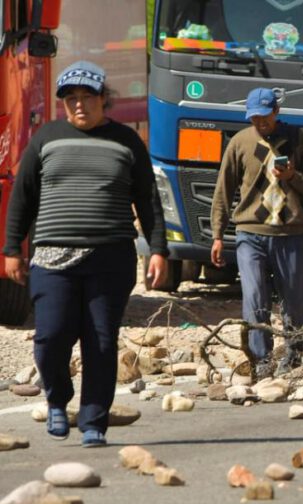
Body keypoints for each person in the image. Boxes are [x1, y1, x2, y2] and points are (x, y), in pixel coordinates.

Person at [3, 61, 169, 447]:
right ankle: (58, 400)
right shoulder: (46, 139)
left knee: (101, 340)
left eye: (87, 98)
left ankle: (94, 420)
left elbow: (148, 201)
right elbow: (22, 198)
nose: (79, 105)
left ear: (103, 100)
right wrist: (12, 248)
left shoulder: (126, 142)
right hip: (51, 258)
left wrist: (158, 250)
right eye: (71, 99)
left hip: (110, 258)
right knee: (51, 335)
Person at [211, 88, 303, 378]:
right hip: (250, 232)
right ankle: (261, 359)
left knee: (294, 297)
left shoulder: (296, 138)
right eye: (254, 118)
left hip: (290, 233)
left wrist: (292, 177)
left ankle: (294, 353)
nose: (260, 123)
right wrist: (217, 234)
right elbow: (223, 190)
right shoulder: (240, 142)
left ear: (276, 112)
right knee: (254, 296)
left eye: (265, 117)